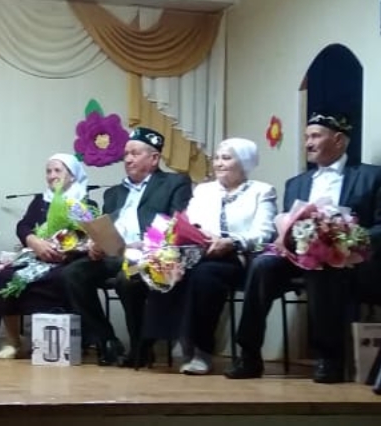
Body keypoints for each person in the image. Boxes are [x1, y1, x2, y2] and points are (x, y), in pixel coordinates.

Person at [225, 113, 381, 383]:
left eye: (315, 136)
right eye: (307, 137)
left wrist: (350, 238)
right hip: (298, 254)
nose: (308, 143)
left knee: (323, 266)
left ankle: (329, 358)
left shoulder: (371, 176)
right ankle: (248, 355)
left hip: (349, 258)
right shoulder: (296, 183)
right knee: (262, 265)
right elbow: (289, 223)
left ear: (339, 140)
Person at [140, 138, 277, 375]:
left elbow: (264, 233)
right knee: (163, 266)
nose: (219, 164)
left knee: (204, 275)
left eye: (227, 158)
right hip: (198, 252)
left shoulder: (261, 191)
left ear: (244, 162)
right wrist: (198, 234)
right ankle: (156, 342)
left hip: (237, 257)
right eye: (217, 158)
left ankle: (201, 351)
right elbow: (190, 221)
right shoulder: (204, 190)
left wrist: (231, 241)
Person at [63, 126, 193, 366]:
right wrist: (96, 243)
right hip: (114, 254)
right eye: (126, 155)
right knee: (73, 273)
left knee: (128, 277)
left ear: (154, 158)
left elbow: (176, 223)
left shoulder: (175, 183)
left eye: (135, 153)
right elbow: (104, 226)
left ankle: (140, 347)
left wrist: (146, 243)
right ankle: (107, 341)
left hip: (148, 254)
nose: (128, 159)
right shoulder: (114, 193)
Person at [0, 153, 93, 359]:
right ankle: (14, 341)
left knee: (62, 278)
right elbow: (24, 225)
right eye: (48, 171)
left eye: (58, 170)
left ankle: (62, 342)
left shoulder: (83, 202)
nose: (52, 175)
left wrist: (65, 250)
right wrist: (34, 241)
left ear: (72, 175)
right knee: (6, 276)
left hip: (67, 260)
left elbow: (88, 236)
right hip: (37, 256)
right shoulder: (40, 200)